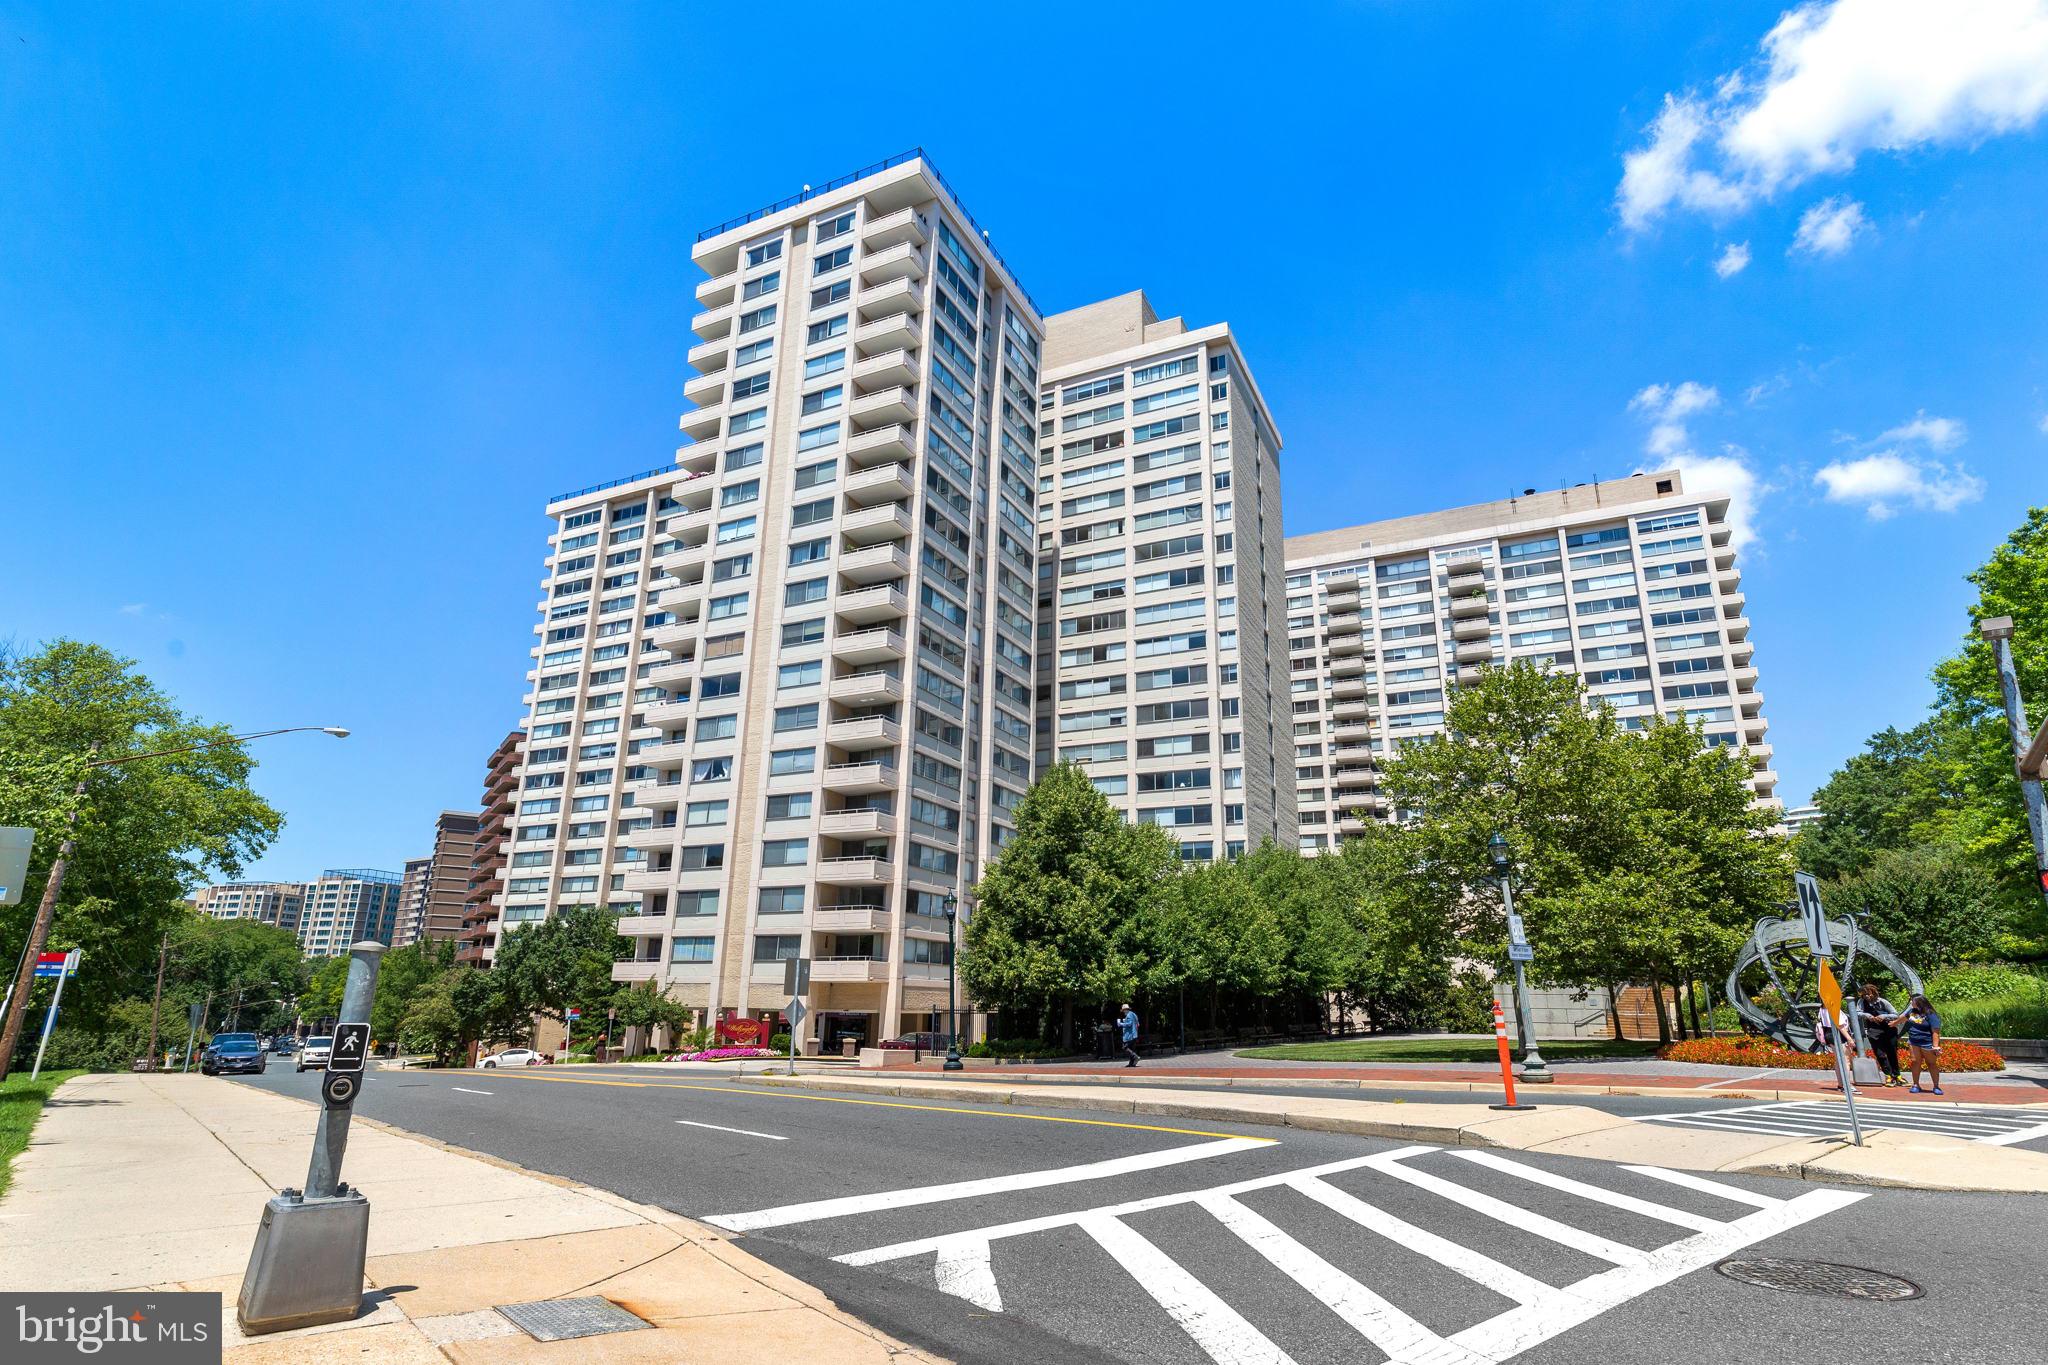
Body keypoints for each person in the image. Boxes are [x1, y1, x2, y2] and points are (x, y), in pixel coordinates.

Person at [1894, 994, 1944, 1095]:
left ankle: (1936, 1086)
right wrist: (1893, 1023)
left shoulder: (1930, 1014)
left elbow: (1936, 1031)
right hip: (1913, 1041)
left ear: (1918, 1002)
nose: (1911, 1003)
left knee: (1931, 1063)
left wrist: (1935, 1046)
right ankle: (1916, 1084)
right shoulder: (1913, 1012)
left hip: (1927, 1043)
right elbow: (1904, 1018)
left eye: (1912, 1001)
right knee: (1915, 1062)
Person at [1855, 982, 1903, 1087]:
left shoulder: (1883, 1002)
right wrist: (1867, 1015)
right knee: (1880, 1053)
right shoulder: (1861, 1002)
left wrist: (1884, 1016)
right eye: (1864, 994)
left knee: (1892, 1052)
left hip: (1888, 1029)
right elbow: (1857, 1012)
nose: (1866, 996)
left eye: (1868, 994)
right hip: (1874, 1030)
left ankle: (1897, 1075)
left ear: (1874, 993)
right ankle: (1888, 1076)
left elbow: (1895, 1015)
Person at [1118, 1002, 1140, 1068]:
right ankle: (1131, 1063)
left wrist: (1121, 1024)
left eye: (1123, 1010)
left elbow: (1129, 1024)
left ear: (1125, 1010)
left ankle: (1135, 1057)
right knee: (1131, 1049)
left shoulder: (1129, 1015)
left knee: (1125, 1047)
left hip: (1130, 1035)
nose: (1123, 1012)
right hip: (1134, 1034)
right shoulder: (1134, 1014)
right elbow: (1138, 1024)